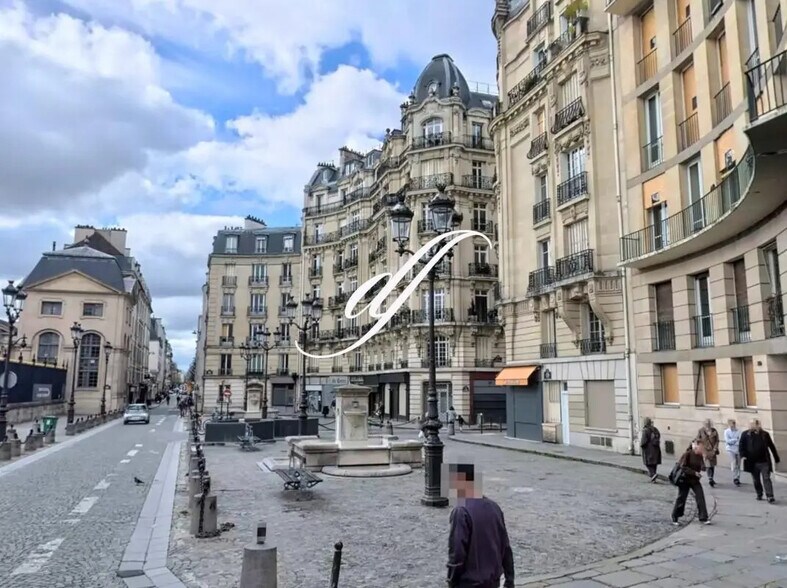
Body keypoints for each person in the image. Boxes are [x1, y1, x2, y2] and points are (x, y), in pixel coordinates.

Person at [446, 463, 515, 588]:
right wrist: (509, 580)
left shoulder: (461, 512)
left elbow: (457, 554)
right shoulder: (494, 507)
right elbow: (505, 547)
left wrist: (452, 582)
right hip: (492, 582)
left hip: (469, 583)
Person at [739, 419, 780, 503]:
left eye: (755, 424)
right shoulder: (745, 434)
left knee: (766, 478)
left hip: (764, 461)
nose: (753, 426)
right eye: (751, 424)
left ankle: (770, 495)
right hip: (752, 462)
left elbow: (771, 446)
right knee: (756, 479)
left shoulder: (764, 434)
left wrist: (776, 458)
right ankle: (759, 493)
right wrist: (743, 456)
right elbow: (741, 446)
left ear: (758, 425)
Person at [671, 441, 710, 526]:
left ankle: (703, 517)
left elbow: (703, 468)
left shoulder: (700, 456)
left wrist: (704, 460)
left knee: (700, 496)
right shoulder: (687, 454)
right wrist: (694, 472)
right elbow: (683, 467)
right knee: (681, 498)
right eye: (701, 448)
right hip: (685, 479)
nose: (702, 449)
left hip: (695, 480)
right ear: (696, 447)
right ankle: (675, 516)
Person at [696, 419, 720, 487]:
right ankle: (710, 479)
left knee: (712, 465)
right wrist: (700, 445)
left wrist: (715, 448)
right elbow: (697, 439)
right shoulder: (701, 431)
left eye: (709, 424)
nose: (707, 425)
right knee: (708, 465)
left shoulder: (714, 430)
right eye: (706, 424)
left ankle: (711, 478)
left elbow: (717, 440)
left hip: (713, 450)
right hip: (705, 450)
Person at [640, 417, 662, 482]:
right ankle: (654, 477)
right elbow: (659, 436)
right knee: (654, 464)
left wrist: (642, 446)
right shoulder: (655, 429)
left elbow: (643, 441)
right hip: (656, 449)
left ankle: (653, 474)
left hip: (648, 450)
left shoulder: (645, 430)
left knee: (648, 463)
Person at [724, 419, 742, 486]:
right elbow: (727, 441)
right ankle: (735, 477)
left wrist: (734, 441)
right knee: (734, 462)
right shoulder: (726, 431)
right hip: (730, 449)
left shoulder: (738, 431)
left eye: (733, 425)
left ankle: (738, 477)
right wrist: (735, 440)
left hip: (738, 449)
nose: (732, 426)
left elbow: (740, 440)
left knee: (739, 464)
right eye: (731, 425)